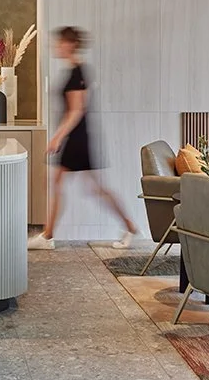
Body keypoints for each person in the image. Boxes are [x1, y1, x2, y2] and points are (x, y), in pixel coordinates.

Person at [29, 26, 140, 250]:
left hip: (77, 138)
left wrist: (57, 137)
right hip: (75, 136)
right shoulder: (73, 71)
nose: (57, 46)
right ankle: (129, 226)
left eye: (60, 42)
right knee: (80, 186)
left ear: (70, 44)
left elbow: (77, 110)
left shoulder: (77, 73)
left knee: (73, 185)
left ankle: (48, 236)